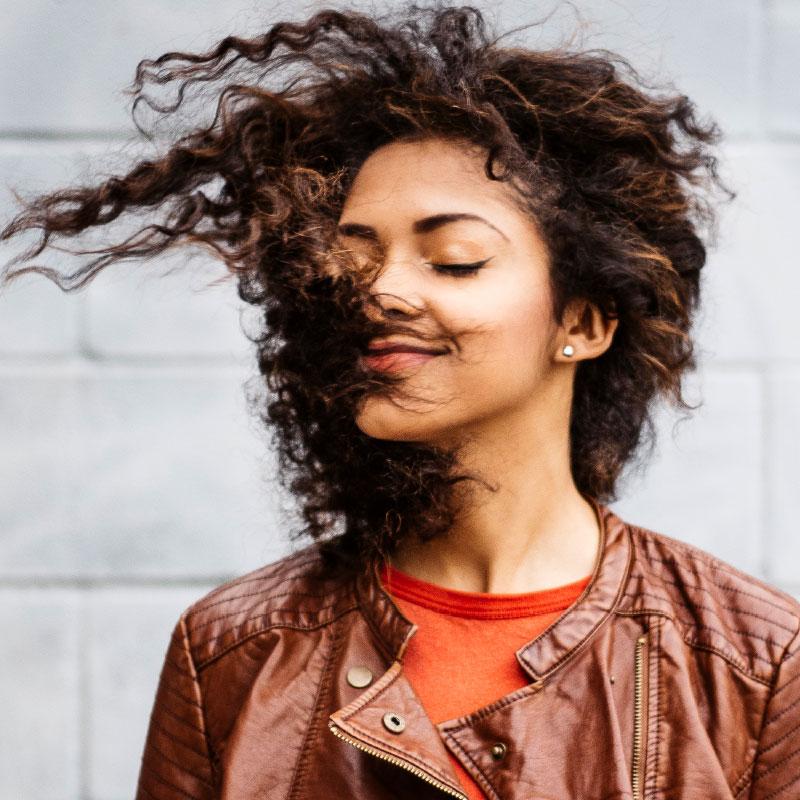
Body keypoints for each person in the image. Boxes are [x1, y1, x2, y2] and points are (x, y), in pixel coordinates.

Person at [2, 3, 799, 799]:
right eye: (352, 263)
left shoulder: (754, 665)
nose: (378, 292)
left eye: (454, 261)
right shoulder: (231, 654)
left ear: (583, 322)